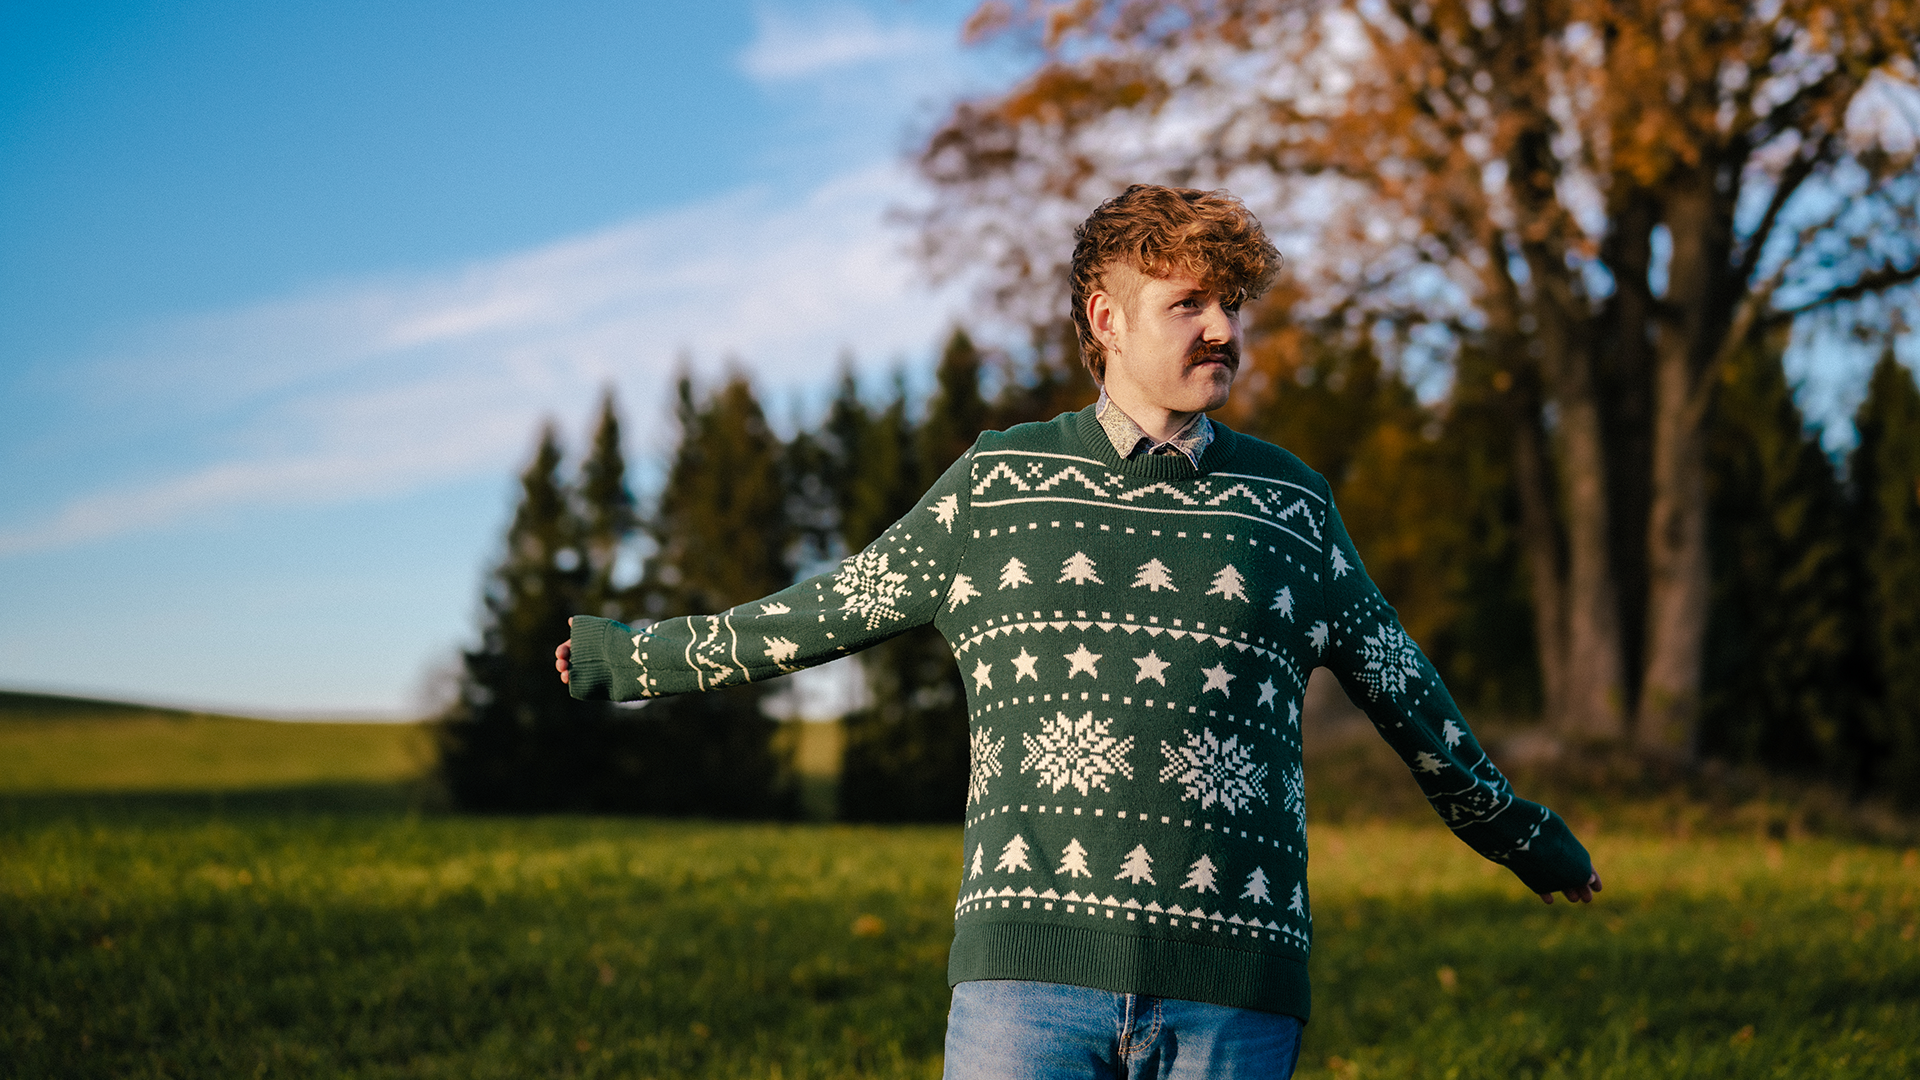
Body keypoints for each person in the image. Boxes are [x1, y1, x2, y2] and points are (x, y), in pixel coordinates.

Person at [557, 184, 1601, 1078]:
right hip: (1027, 980)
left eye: (1231, 304)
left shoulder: (1290, 507)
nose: (1223, 330)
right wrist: (628, 659)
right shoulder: (997, 485)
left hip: (1235, 983)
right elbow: (828, 609)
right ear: (1105, 318)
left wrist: (1521, 837)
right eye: (1188, 303)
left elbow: (1401, 687)